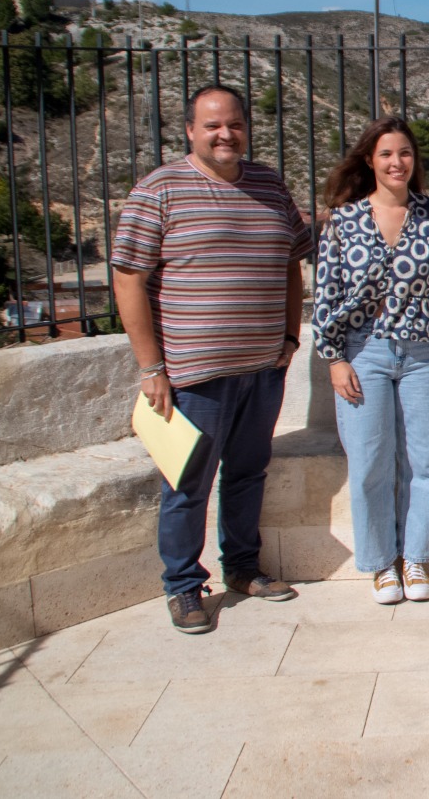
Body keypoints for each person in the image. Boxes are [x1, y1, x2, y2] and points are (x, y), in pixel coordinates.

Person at [112, 84, 313, 634]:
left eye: (235, 125)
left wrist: (290, 341)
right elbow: (128, 278)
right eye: (212, 125)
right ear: (190, 130)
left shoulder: (270, 185)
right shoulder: (158, 191)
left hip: (264, 368)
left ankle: (243, 569)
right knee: (187, 484)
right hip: (192, 375)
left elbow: (292, 265)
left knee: (248, 474)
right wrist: (151, 368)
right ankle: (183, 587)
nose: (226, 134)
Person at [313, 117, 429, 605]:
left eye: (404, 153)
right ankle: (381, 565)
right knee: (370, 462)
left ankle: (416, 557)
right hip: (364, 353)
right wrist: (334, 358)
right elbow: (326, 293)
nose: (396, 162)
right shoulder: (344, 220)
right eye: (385, 154)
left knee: (427, 458)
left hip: (423, 353)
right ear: (369, 161)